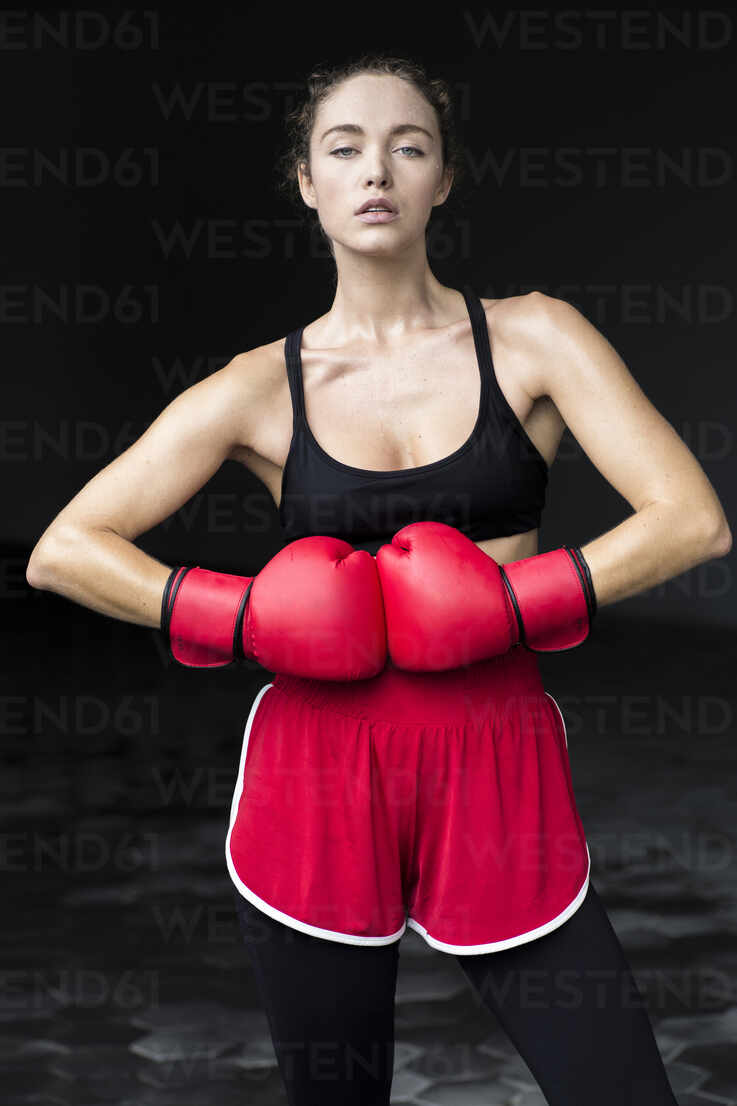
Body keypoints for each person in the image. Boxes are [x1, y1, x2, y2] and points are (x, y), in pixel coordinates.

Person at [26, 52, 731, 1106]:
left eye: (407, 146)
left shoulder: (534, 337)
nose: (376, 173)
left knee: (619, 1090)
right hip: (314, 789)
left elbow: (693, 521)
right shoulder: (260, 386)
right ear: (306, 182)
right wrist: (245, 612)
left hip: (494, 769)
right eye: (343, 149)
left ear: (442, 178)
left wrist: (506, 603)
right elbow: (64, 547)